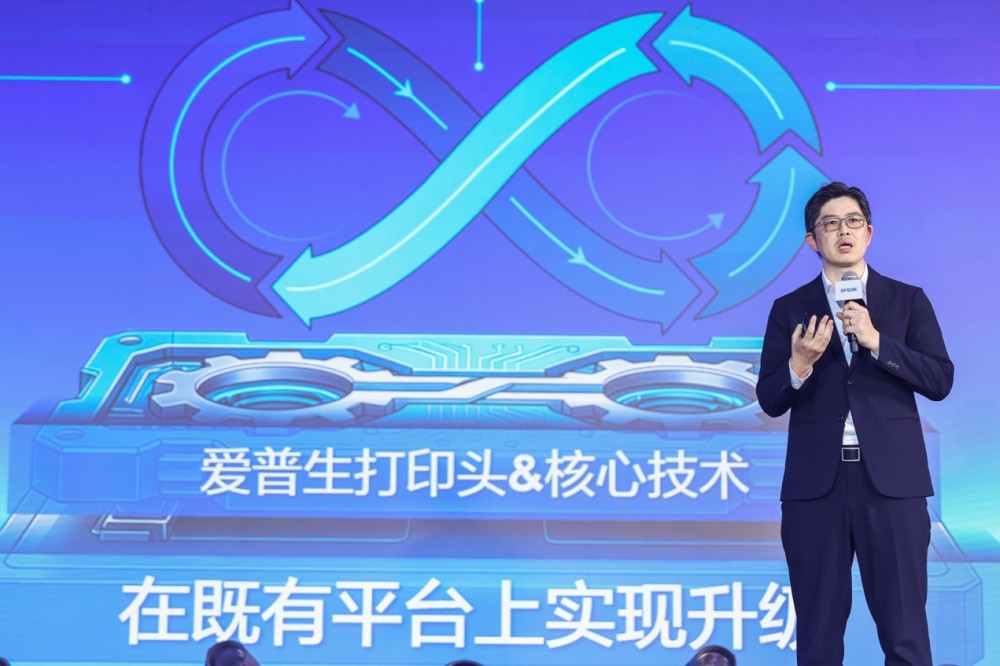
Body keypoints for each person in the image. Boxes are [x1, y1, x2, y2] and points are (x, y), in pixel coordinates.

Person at [755, 182, 953, 665]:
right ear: (812, 240)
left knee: (905, 631)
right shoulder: (789, 309)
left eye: (852, 221)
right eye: (829, 223)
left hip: (892, 484)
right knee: (818, 633)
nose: (842, 230)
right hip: (815, 489)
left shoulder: (907, 301)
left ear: (868, 233)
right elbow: (770, 399)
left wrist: (877, 340)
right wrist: (799, 365)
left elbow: (939, 379)